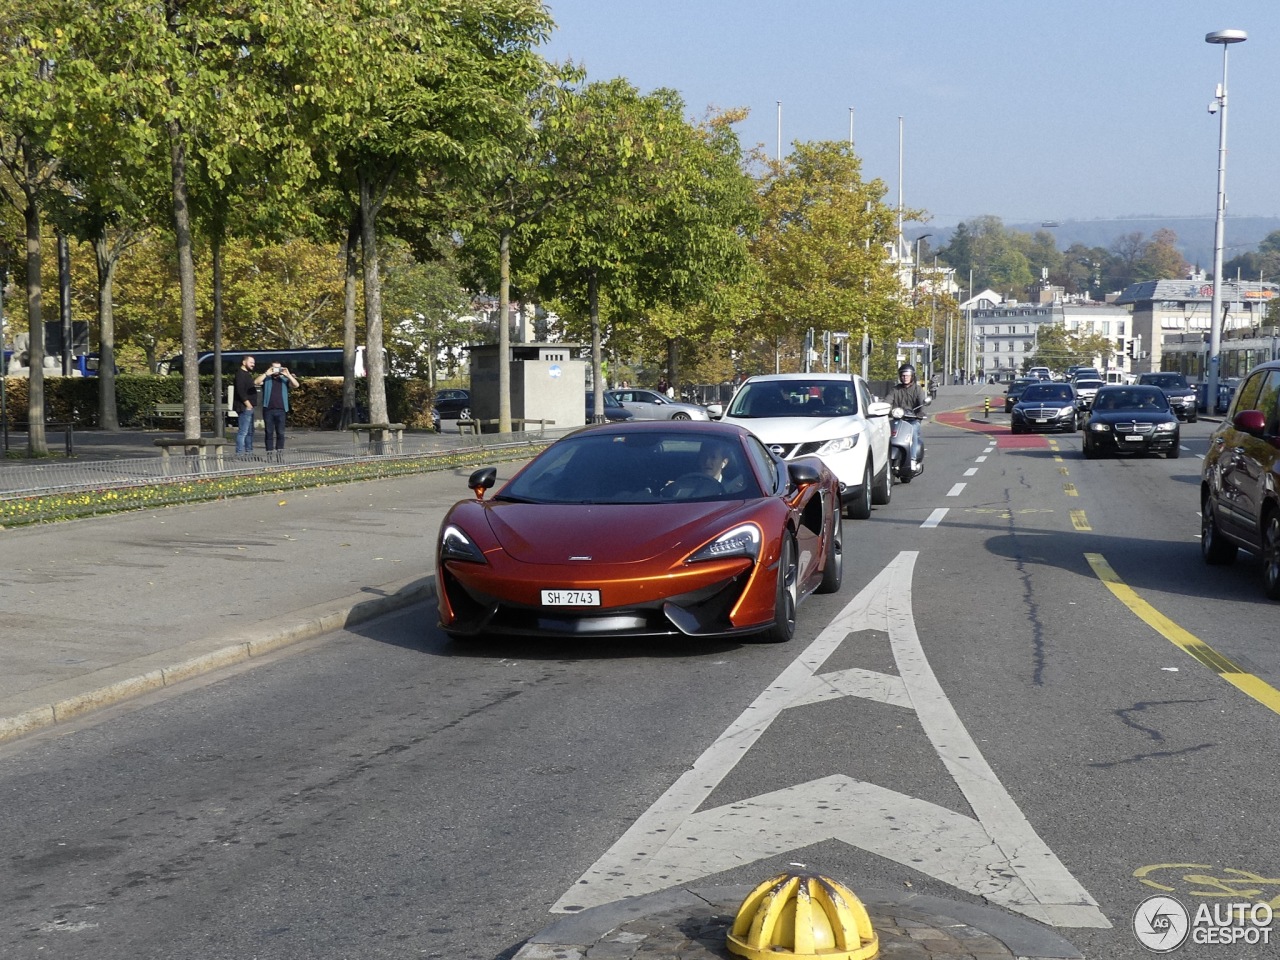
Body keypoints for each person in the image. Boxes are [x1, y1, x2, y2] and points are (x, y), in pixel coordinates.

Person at [888, 363, 928, 467]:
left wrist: (921, 412)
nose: (905, 377)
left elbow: (922, 402)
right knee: (887, 433)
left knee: (913, 431)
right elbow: (887, 401)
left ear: (912, 376)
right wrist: (885, 408)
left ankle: (913, 459)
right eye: (903, 375)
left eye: (907, 375)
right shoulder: (895, 390)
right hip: (899, 419)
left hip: (913, 420)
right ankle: (886, 460)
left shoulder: (917, 389)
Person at [258, 361, 300, 457]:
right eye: (274, 368)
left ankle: (279, 453)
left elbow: (296, 385)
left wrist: (288, 375)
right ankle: (269, 453)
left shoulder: (284, 379)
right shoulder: (266, 379)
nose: (277, 370)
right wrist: (266, 373)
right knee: (268, 432)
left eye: (279, 368)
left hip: (281, 410)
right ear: (270, 368)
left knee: (280, 433)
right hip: (268, 409)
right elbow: (256, 382)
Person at [233, 355, 258, 454]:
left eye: (254, 363)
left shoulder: (247, 374)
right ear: (244, 362)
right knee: (243, 431)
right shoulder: (240, 374)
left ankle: (249, 451)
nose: (253, 364)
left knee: (250, 432)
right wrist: (247, 404)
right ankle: (239, 453)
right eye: (251, 362)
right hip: (244, 407)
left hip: (249, 407)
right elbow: (240, 391)